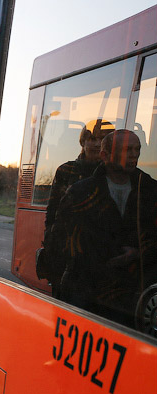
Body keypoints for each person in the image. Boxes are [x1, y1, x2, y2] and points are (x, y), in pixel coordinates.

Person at [50, 129, 157, 326]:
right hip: (84, 293)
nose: (134, 154)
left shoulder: (150, 190)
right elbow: (59, 239)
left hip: (131, 297)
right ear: (105, 155)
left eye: (137, 149)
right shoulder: (81, 192)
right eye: (127, 149)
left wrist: (139, 253)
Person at [38, 119, 113, 291]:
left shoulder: (113, 173)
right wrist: (51, 244)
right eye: (92, 139)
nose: (96, 144)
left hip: (99, 254)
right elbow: (52, 211)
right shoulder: (66, 170)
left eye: (102, 139)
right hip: (65, 253)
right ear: (82, 142)